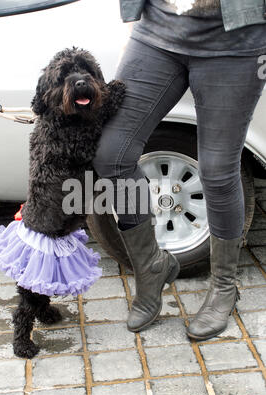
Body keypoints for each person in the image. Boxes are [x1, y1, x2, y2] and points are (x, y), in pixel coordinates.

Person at [92, 0, 266, 340]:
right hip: (159, 31)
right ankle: (152, 268)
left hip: (236, 44)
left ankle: (224, 287)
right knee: (111, 155)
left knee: (217, 170)